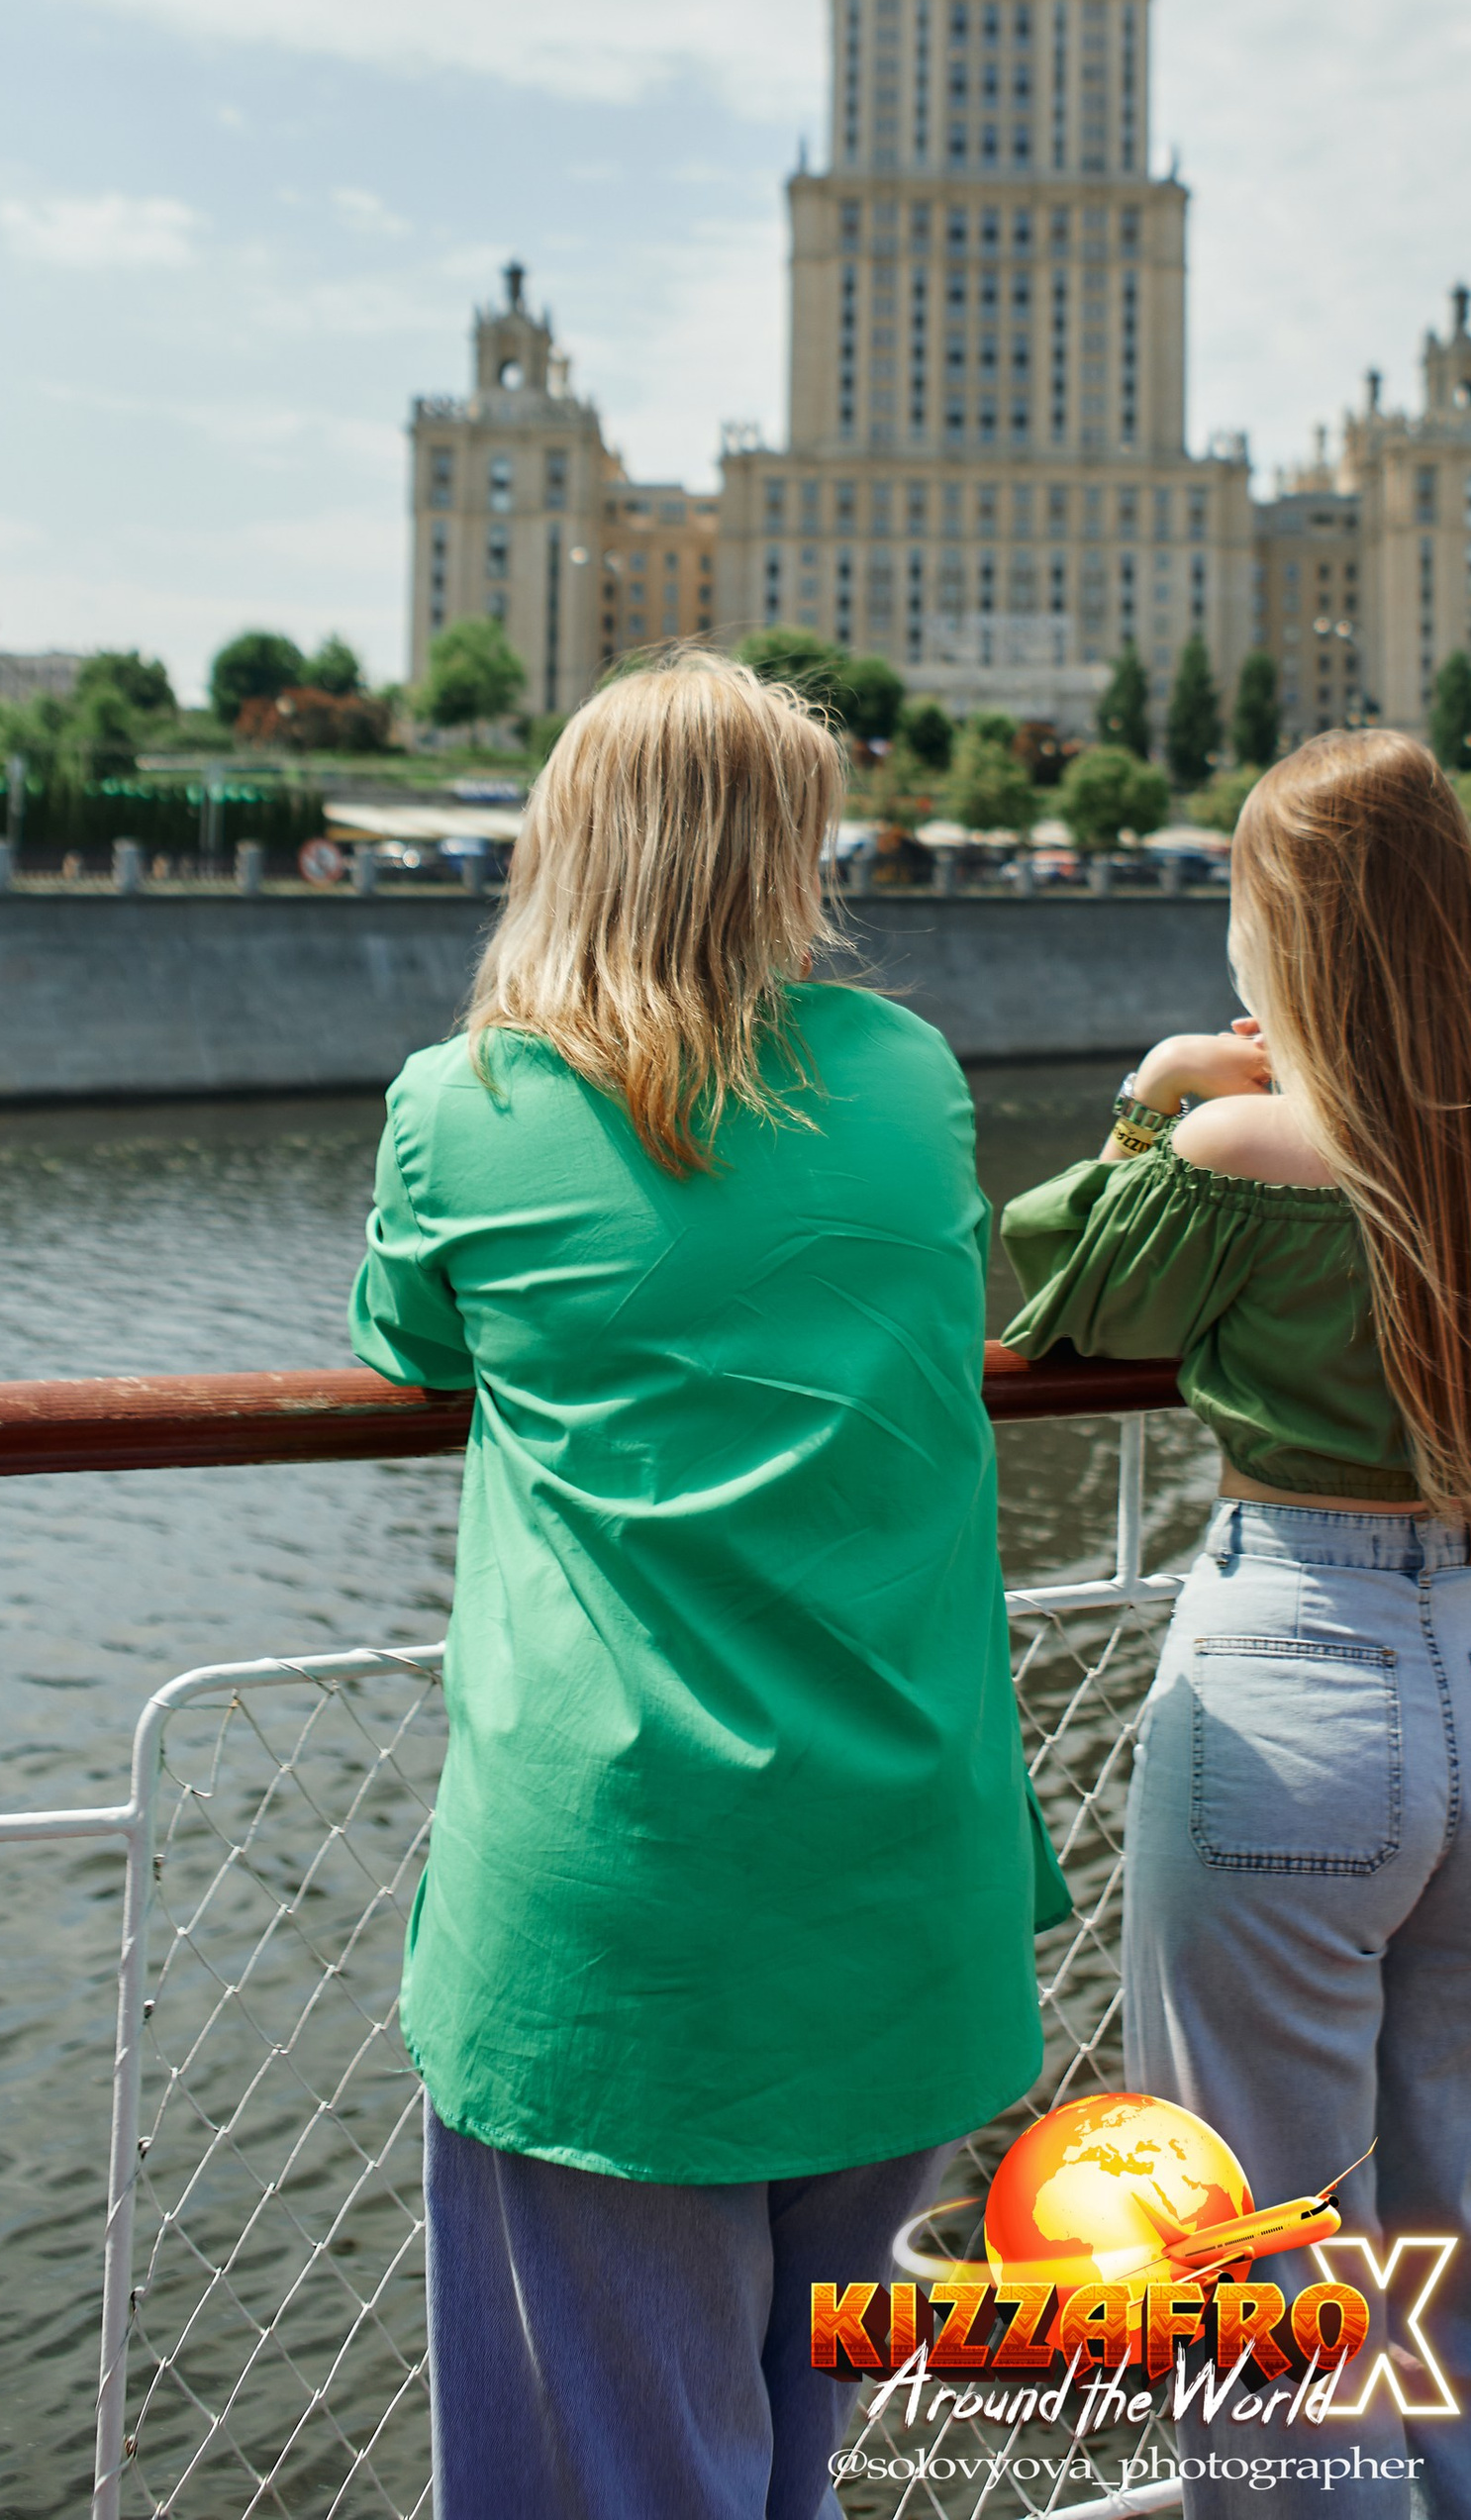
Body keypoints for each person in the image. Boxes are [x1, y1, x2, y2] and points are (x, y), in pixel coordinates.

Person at [346, 650, 1065, 2520]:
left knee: (619, 2475)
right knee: (781, 2458)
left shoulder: (466, 1100)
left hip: (624, 1933)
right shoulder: (908, 1074)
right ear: (787, 859)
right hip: (906, 1896)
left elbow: (408, 1339)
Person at [997, 728, 1471, 2518]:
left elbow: (1061, 1301)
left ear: (1287, 932)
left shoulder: (1243, 1138)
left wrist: (1153, 1088)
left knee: (1260, 2268)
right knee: (1465, 2223)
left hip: (1295, 1689)